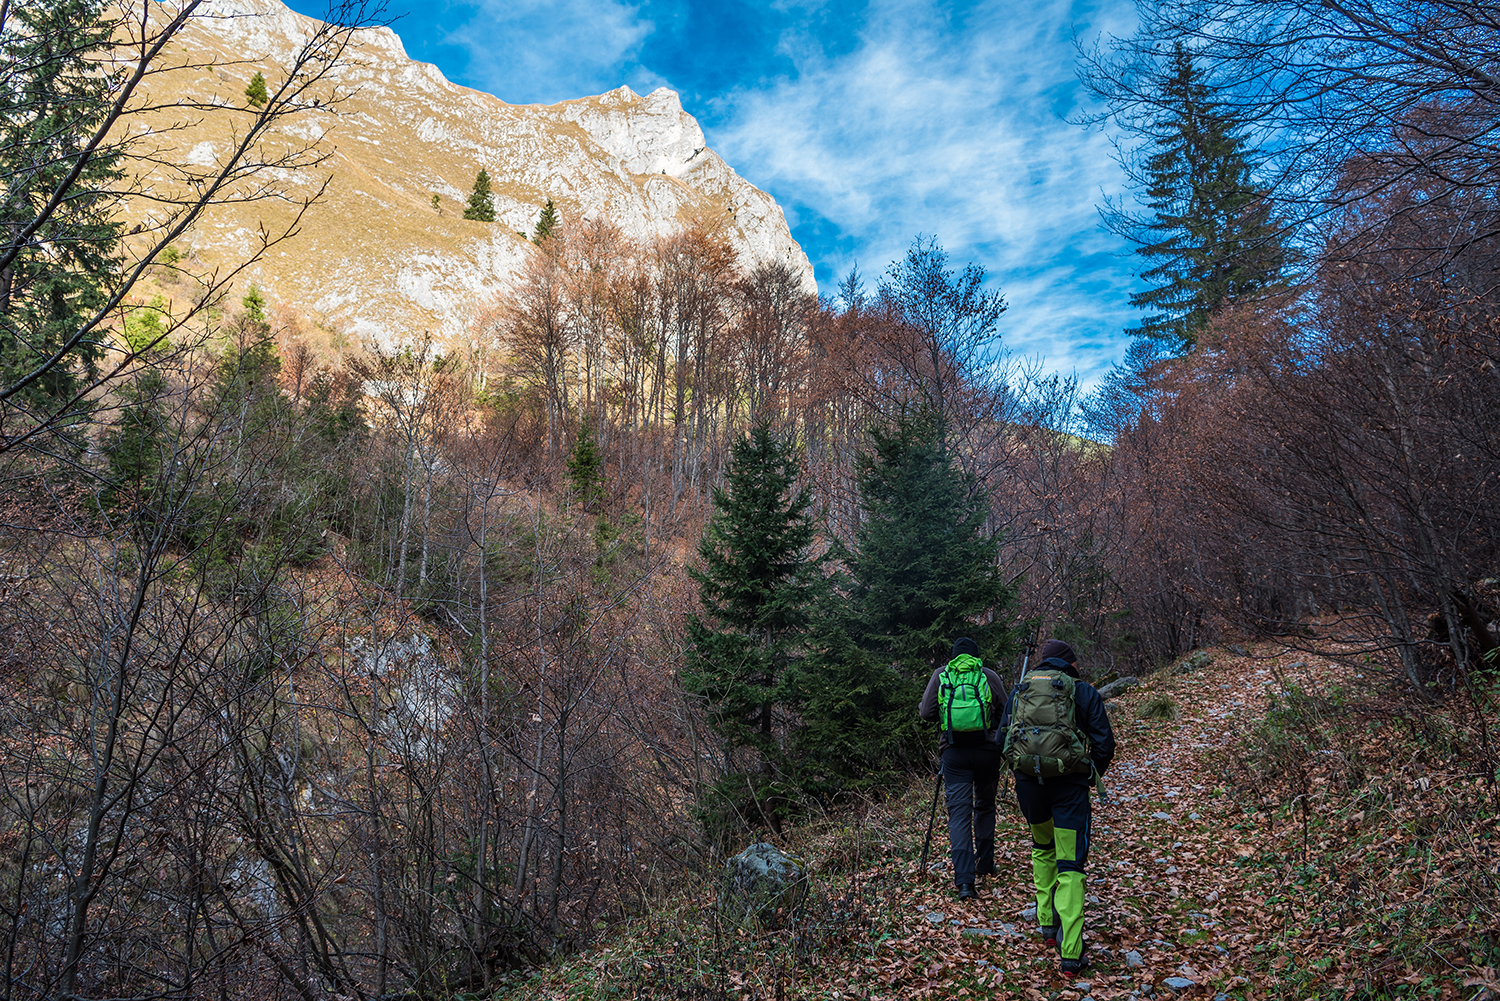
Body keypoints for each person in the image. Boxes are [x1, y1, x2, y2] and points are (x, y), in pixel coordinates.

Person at [1001, 638, 1115, 973]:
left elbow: (1001, 741)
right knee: (1071, 864)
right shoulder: (1082, 692)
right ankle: (1070, 954)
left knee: (1042, 848)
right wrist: (1088, 776)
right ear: (1068, 664)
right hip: (1069, 789)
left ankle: (1047, 926)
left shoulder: (1020, 690)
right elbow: (1104, 744)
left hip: (1029, 789)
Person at [918, 637, 1005, 901]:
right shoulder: (988, 675)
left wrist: (949, 718)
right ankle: (985, 864)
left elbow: (926, 713)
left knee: (958, 814)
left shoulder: (941, 675)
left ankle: (965, 882)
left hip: (954, 753)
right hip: (987, 752)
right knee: (985, 805)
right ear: (977, 656)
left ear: (953, 657)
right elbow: (1006, 710)